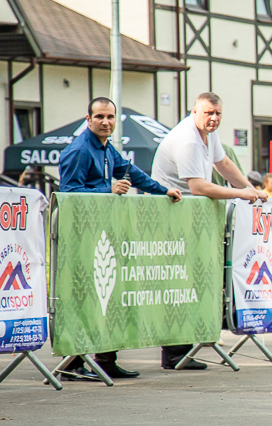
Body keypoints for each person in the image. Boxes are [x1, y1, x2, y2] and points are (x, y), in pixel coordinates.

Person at [58, 96, 183, 382]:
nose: (105, 122)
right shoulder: (79, 150)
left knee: (108, 296)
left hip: (102, 233)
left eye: (110, 117)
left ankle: (105, 359)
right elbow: (68, 194)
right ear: (88, 119)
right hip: (80, 236)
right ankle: (72, 362)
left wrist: (162, 190)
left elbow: (130, 172)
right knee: (88, 298)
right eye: (99, 117)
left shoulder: (105, 148)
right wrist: (108, 189)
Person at [152, 91, 268, 370]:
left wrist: (248, 188)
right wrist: (240, 194)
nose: (214, 118)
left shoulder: (207, 133)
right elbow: (199, 187)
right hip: (172, 217)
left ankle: (185, 345)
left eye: (218, 114)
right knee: (180, 283)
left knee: (195, 280)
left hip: (192, 218)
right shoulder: (189, 139)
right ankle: (175, 352)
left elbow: (223, 163)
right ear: (194, 111)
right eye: (208, 113)